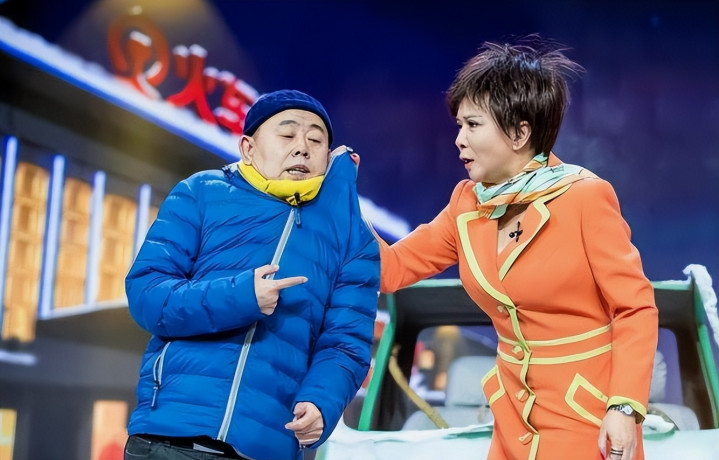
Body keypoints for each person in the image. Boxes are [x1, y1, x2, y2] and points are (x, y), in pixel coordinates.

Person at [376, 36, 658, 460]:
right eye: (459, 125)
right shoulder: (466, 203)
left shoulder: (585, 196)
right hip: (512, 419)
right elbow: (390, 268)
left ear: (519, 132)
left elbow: (635, 308)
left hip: (587, 418)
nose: (459, 139)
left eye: (473, 125)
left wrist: (623, 407)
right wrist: (336, 203)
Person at [123, 89, 380, 460]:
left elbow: (346, 342)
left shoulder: (353, 237)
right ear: (248, 147)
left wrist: (321, 402)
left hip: (266, 448)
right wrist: (242, 297)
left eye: (315, 140)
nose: (302, 148)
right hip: (172, 438)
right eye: (287, 134)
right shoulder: (201, 193)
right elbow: (148, 294)